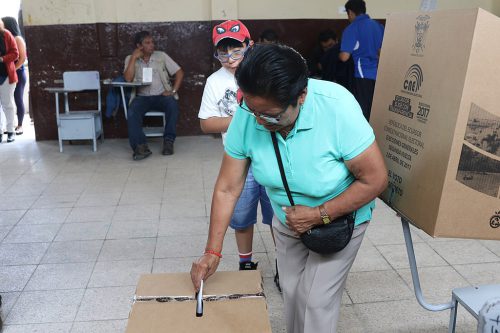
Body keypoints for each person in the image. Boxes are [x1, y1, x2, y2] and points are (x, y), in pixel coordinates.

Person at [191, 44, 387, 333]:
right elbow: (227, 188)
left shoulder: (336, 106)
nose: (258, 120)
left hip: (339, 216)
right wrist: (212, 252)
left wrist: (320, 214)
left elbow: (375, 179)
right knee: (293, 292)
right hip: (287, 220)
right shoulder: (249, 115)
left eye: (270, 115)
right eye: (252, 109)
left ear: (301, 96)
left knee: (316, 301)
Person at [198, 20, 274, 272]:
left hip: (272, 155)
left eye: (236, 50)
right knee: (241, 217)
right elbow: (206, 124)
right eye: (223, 52)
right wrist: (241, 120)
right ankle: (246, 264)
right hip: (239, 162)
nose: (229, 58)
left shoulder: (265, 72)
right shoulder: (215, 81)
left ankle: (284, 266)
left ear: (249, 45)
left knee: (279, 217)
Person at [124, 31, 184, 160]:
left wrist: (173, 91)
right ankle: (140, 147)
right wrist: (134, 58)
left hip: (161, 96)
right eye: (147, 43)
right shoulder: (130, 58)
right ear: (139, 45)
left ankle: (168, 142)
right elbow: (128, 79)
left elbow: (179, 72)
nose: (152, 45)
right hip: (142, 97)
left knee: (172, 104)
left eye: (152, 42)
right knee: (132, 111)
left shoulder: (161, 56)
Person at [339, 0, 384, 121]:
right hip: (379, 75)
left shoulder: (352, 28)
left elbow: (344, 57)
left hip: (362, 74)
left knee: (363, 111)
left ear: (351, 12)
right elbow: (382, 52)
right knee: (376, 109)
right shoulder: (378, 26)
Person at [2, 17, 27, 136]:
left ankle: (20, 125)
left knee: (18, 98)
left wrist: (12, 69)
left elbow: (22, 59)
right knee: (8, 101)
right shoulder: (6, 38)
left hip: (18, 72)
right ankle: (10, 126)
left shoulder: (17, 38)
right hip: (10, 72)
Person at [0, 19, 19, 143]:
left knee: (8, 104)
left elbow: (15, 53)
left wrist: (2, 59)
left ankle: (10, 131)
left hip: (6, 74)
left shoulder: (6, 34)